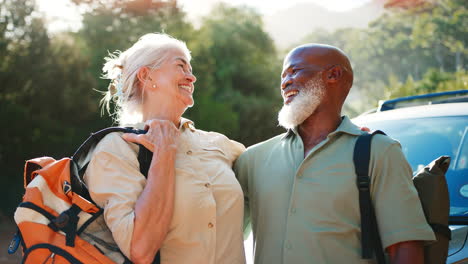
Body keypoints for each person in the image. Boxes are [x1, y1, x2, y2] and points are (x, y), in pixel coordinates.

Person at [234, 44, 435, 264]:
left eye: (294, 71)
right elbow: (214, 231)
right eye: (283, 76)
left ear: (334, 75)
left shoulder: (380, 153)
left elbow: (405, 248)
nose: (285, 82)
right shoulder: (252, 160)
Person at [82, 33, 246, 264]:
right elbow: (140, 250)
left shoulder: (221, 144)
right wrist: (165, 152)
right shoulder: (118, 149)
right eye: (181, 66)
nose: (192, 77)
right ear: (146, 76)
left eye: (191, 69)